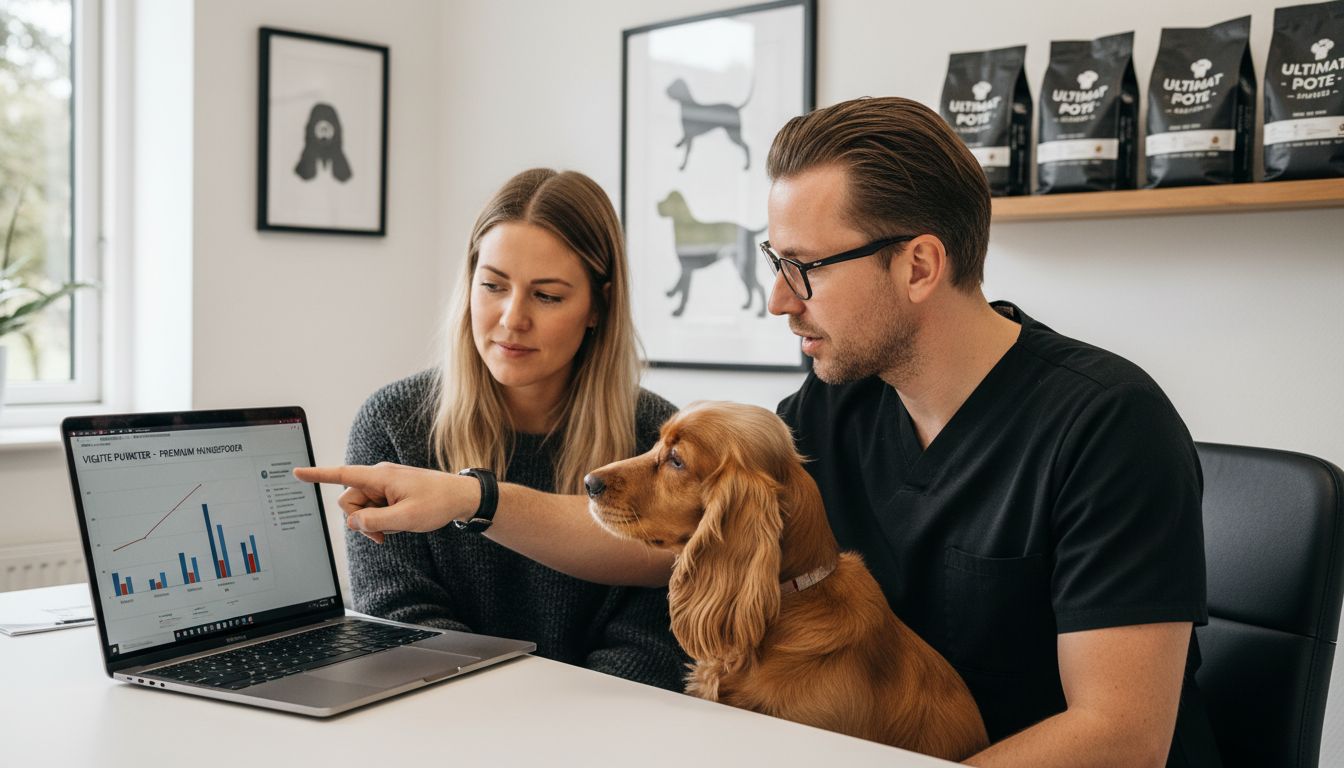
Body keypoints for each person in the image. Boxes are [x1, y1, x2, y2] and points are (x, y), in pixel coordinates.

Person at [297, 99, 1217, 767]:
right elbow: (669, 536)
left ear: (921, 264)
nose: (778, 298)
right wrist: (473, 498)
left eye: (804, 268)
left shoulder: (1107, 426)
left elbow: (1122, 736)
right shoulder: (835, 401)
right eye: (776, 264)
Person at [328, 167, 686, 691]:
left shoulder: (657, 441)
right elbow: (398, 617)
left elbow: (656, 641)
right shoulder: (394, 422)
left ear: (598, 307)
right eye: (493, 285)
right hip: (444, 722)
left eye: (547, 296)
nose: (512, 318)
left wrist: (555, 732)